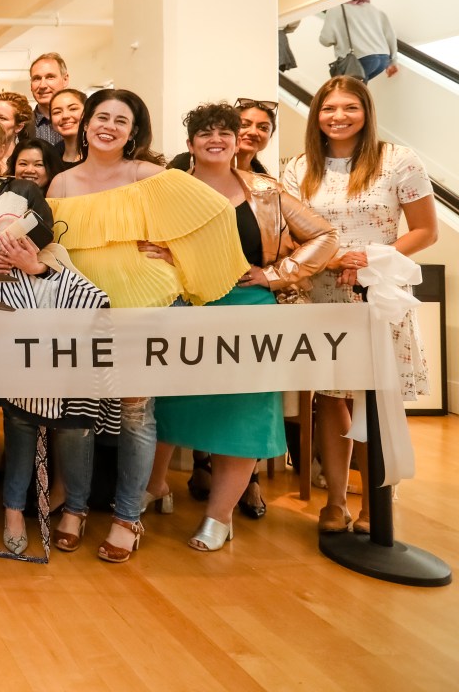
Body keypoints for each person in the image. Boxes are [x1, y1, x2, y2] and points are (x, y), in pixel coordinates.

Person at [46, 89, 248, 563]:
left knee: (136, 411)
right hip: (81, 305)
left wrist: (175, 254)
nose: (109, 126)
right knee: (77, 415)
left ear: (133, 131)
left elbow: (216, 213)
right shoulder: (61, 183)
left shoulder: (148, 175)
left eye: (122, 120)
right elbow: (53, 250)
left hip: (144, 300)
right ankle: (74, 508)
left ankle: (126, 517)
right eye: (101, 116)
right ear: (86, 123)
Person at [0, 104, 115, 563]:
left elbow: (46, 236)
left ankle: (13, 509)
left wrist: (24, 254)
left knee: (20, 418)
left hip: (21, 316)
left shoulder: (26, 191)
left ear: (6, 148)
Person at [147, 103, 337, 552]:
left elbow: (325, 236)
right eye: (205, 133)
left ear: (236, 141)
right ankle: (156, 486)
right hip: (185, 308)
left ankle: (219, 516)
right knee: (167, 405)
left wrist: (275, 273)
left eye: (225, 133)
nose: (216, 139)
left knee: (244, 413)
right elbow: (145, 244)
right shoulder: (167, 190)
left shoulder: (265, 191)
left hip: (251, 311)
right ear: (190, 143)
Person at [281, 76, 436, 534]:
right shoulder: (297, 167)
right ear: (316, 115)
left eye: (350, 107)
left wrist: (370, 257)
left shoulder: (398, 160)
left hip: (379, 292)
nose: (339, 116)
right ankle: (334, 501)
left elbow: (426, 230)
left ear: (366, 112)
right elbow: (290, 233)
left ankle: (375, 504)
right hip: (322, 291)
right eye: (329, 108)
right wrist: (332, 259)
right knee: (330, 398)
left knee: (377, 399)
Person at [169, 98, 276, 176]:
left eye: (263, 128)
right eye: (244, 125)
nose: (253, 132)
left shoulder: (264, 180)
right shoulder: (183, 165)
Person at [319, 0, 400, 82]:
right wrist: (393, 61)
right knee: (356, 88)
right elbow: (391, 36)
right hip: (383, 59)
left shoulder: (337, 9)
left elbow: (326, 40)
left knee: (347, 90)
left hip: (361, 59)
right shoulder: (375, 11)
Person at [28, 53, 69, 147]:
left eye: (50, 77)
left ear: (65, 79)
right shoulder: (22, 126)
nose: (42, 85)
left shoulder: (82, 122)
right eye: (37, 78)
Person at [49, 88, 86, 172]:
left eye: (73, 109)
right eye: (57, 112)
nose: (65, 116)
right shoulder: (51, 159)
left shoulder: (101, 155)